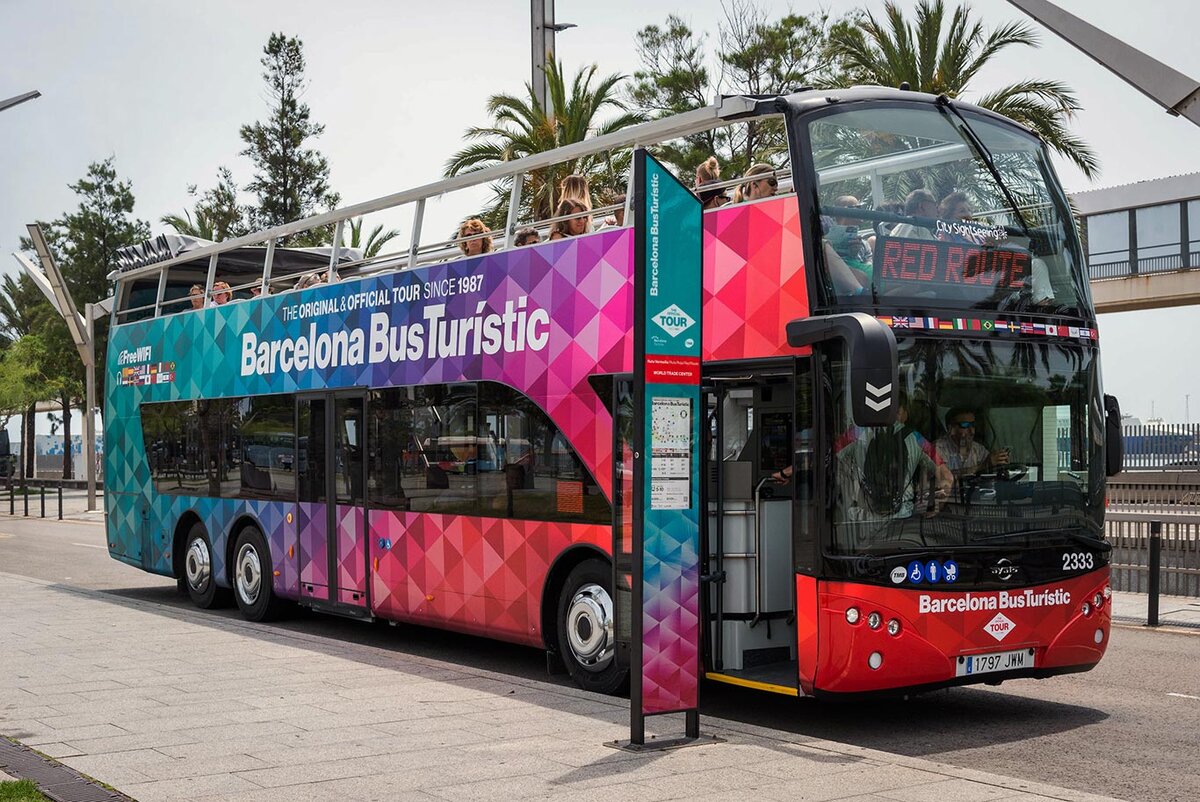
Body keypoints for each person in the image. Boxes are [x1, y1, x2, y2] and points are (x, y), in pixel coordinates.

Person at [831, 397, 953, 520]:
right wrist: (936, 507)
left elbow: (829, 461)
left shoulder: (856, 432)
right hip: (902, 519)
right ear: (904, 413)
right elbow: (947, 477)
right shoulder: (916, 438)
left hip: (863, 520)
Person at [935, 407, 1009, 479]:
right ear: (950, 428)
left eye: (973, 425)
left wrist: (999, 463)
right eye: (965, 425)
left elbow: (990, 468)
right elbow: (944, 477)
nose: (972, 431)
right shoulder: (937, 449)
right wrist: (983, 466)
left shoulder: (978, 449)